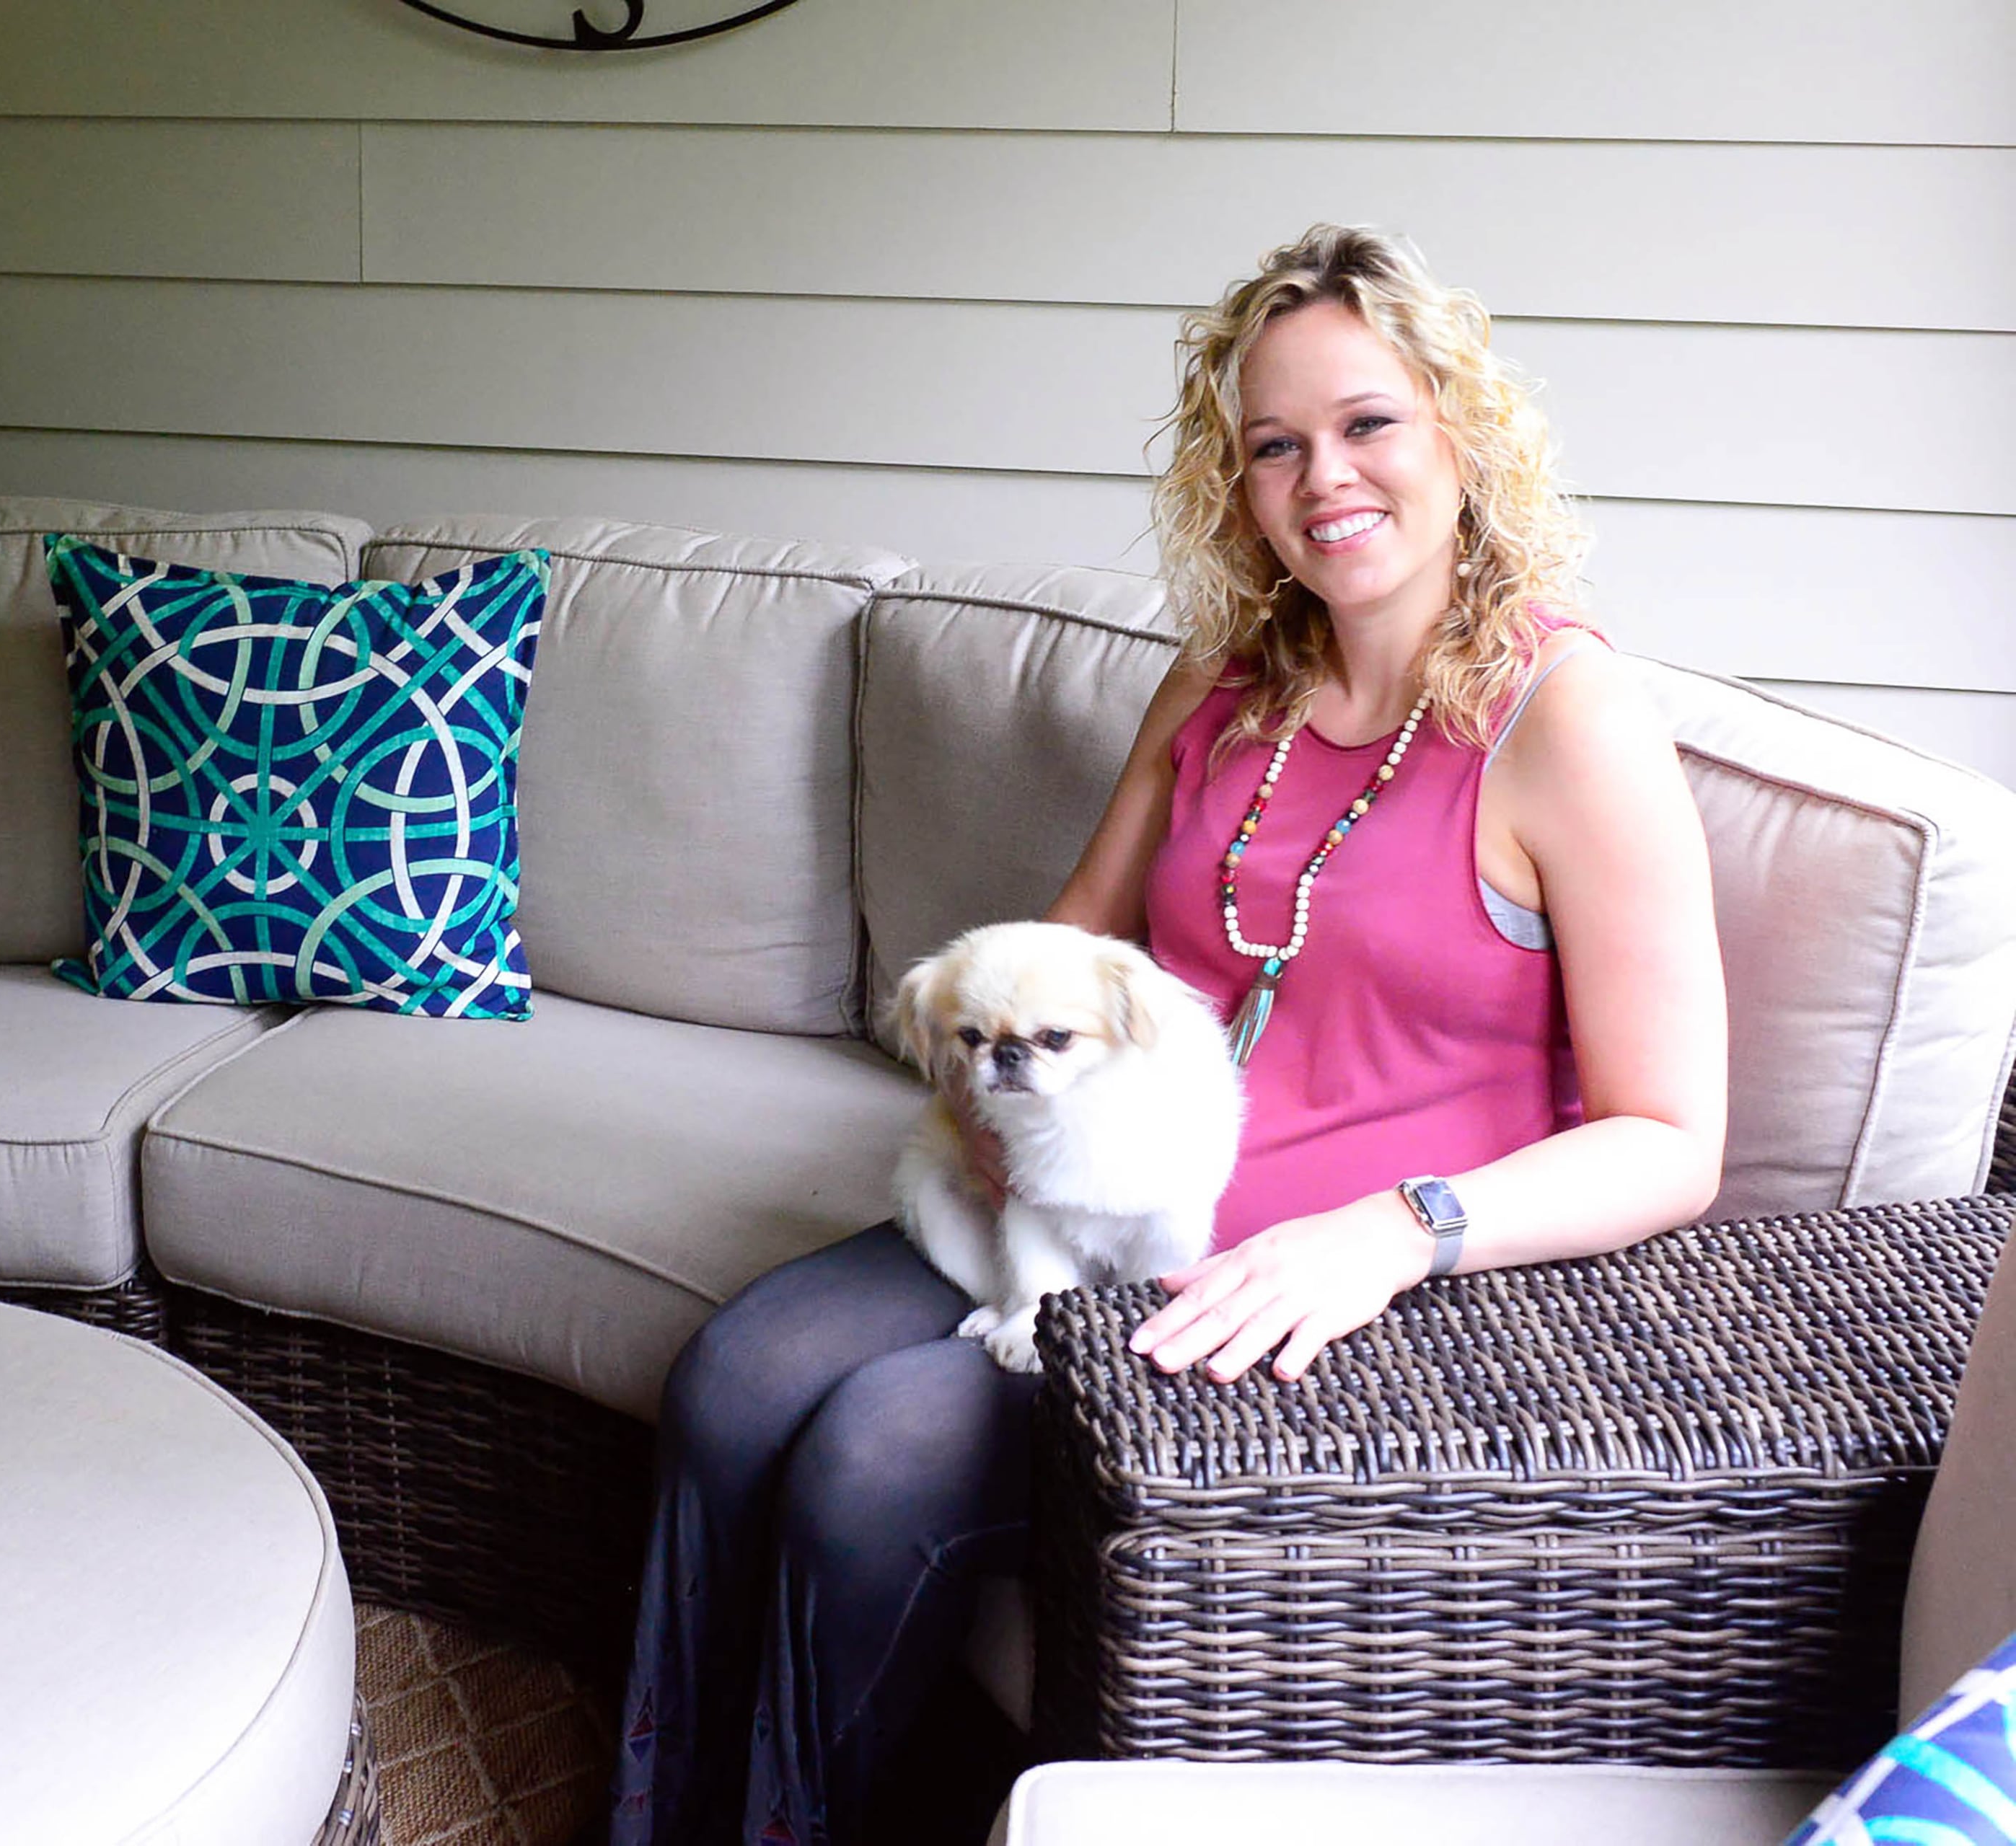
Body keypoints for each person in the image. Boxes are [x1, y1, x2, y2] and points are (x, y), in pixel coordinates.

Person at [601, 224, 1727, 1846]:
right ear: (1236, 480)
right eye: (1274, 444)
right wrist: (994, 1097)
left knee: (872, 1452)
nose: (1322, 475)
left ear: (1462, 432)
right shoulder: (1223, 677)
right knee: (734, 1374)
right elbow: (1074, 940)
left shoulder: (1568, 720)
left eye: (1368, 423)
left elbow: (1673, 1135)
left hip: (1313, 1277)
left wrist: (1400, 1232)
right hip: (1091, 1189)